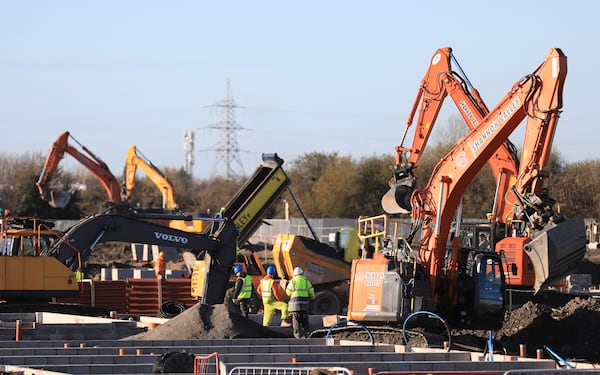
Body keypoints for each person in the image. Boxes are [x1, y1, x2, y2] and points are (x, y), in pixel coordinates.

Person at [285, 266, 315, 338]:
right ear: (302, 273)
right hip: (304, 304)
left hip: (294, 305)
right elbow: (311, 292)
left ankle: (297, 335)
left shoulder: (292, 282)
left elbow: (288, 292)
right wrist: (313, 297)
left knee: (296, 321)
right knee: (305, 320)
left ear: (295, 274)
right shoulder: (306, 281)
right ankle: (307, 334)